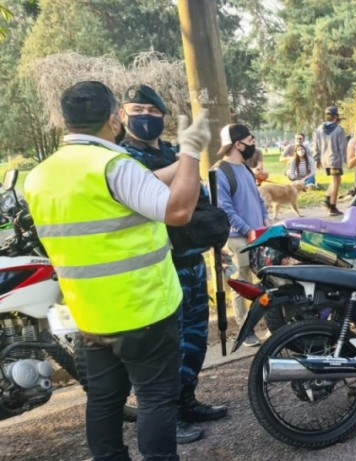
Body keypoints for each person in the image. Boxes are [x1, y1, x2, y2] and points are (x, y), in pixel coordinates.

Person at [24, 81, 208, 461]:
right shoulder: (114, 165)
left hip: (91, 314)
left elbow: (113, 205)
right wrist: (191, 151)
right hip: (144, 308)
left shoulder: (39, 176)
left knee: (104, 400)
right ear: (113, 119)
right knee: (157, 399)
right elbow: (177, 211)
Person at [118, 84, 228, 444]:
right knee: (168, 349)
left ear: (163, 118)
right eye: (137, 110)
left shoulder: (171, 151)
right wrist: (187, 159)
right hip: (158, 268)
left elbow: (197, 201)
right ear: (122, 115)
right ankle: (167, 417)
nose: (145, 118)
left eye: (153, 113)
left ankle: (187, 401)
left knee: (195, 340)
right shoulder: (122, 160)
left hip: (191, 261)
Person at [215, 123, 271, 346]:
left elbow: (257, 198)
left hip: (258, 236)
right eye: (250, 140)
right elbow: (225, 209)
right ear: (237, 144)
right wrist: (248, 230)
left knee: (263, 280)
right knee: (241, 283)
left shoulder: (246, 169)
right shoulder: (221, 171)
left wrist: (265, 220)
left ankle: (267, 325)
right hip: (238, 238)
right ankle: (245, 330)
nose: (253, 143)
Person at [312, 106, 347, 216]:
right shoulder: (339, 130)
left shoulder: (318, 129)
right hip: (335, 159)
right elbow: (343, 147)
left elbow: (315, 146)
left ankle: (327, 198)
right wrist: (346, 160)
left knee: (337, 179)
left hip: (325, 159)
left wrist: (316, 159)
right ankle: (332, 206)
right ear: (336, 116)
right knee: (336, 182)